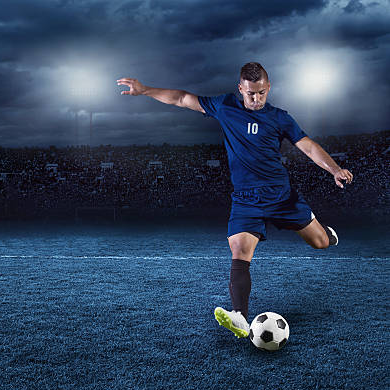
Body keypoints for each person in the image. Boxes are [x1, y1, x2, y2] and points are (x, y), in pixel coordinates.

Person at [117, 62, 354, 339]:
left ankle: (326, 233)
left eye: (262, 93)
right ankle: (240, 317)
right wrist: (145, 90)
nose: (256, 99)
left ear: (269, 88)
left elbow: (308, 146)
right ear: (240, 88)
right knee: (240, 249)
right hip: (246, 200)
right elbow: (182, 98)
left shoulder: (280, 118)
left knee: (320, 243)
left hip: (281, 197)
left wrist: (335, 169)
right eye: (251, 93)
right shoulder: (225, 106)